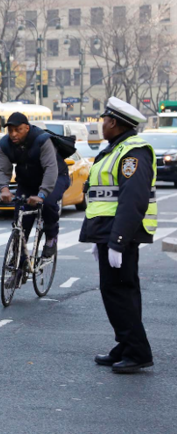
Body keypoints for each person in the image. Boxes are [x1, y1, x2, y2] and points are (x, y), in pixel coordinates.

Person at [80, 97, 156, 374]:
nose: (102, 124)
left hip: (120, 235)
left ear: (114, 122)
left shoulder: (133, 152)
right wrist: (99, 238)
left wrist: (118, 243)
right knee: (116, 292)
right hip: (107, 232)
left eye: (104, 120)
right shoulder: (116, 148)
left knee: (120, 293)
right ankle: (125, 344)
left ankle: (137, 351)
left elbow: (132, 201)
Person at [0, 112, 71, 283]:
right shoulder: (6, 144)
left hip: (56, 177)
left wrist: (42, 194)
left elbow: (51, 169)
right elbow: (1, 169)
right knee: (20, 222)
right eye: (10, 130)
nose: (13, 134)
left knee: (48, 203)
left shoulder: (42, 140)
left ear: (27, 128)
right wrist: (4, 189)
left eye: (18, 130)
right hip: (28, 182)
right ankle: (18, 268)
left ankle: (51, 239)